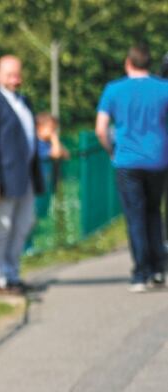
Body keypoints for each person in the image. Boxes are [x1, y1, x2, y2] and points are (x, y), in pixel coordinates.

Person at [95, 43, 168, 292]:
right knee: (153, 212)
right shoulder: (163, 88)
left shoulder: (114, 90)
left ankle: (141, 272)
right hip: (157, 159)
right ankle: (159, 268)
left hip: (127, 160)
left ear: (128, 62)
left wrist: (111, 151)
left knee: (135, 217)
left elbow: (101, 129)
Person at [0, 55, 45, 293]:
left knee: (22, 225)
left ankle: (12, 272)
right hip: (2, 179)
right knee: (0, 229)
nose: (14, 79)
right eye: (9, 74)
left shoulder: (24, 101)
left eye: (17, 74)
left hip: (24, 177)